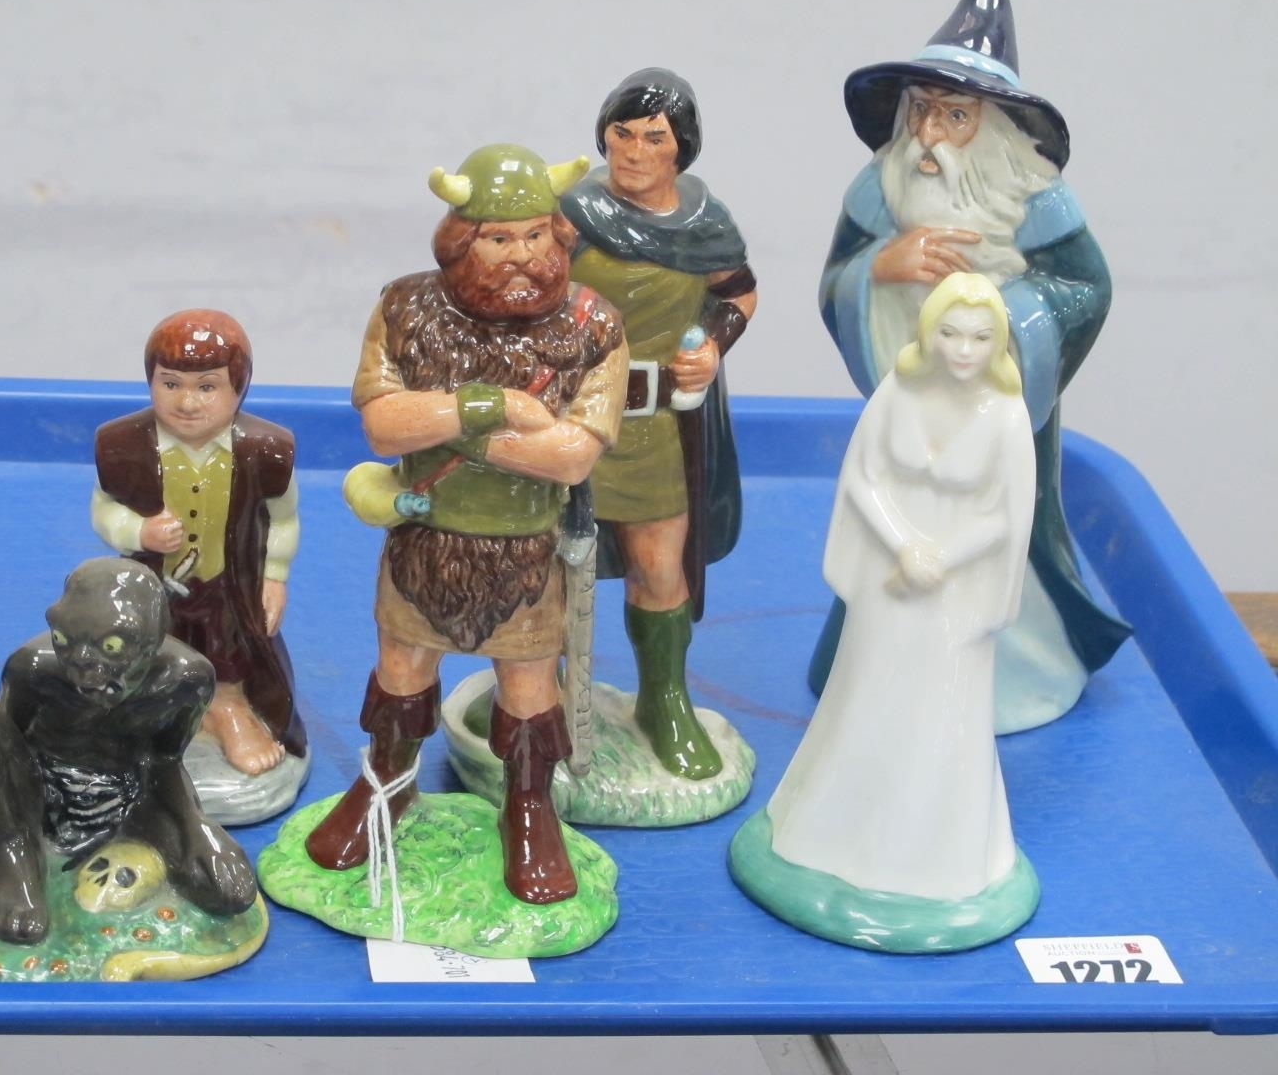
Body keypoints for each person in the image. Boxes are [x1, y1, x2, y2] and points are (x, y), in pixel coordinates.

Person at [814, 0, 1129, 734]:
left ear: (992, 127)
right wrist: (878, 270)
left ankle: (1014, 669)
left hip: (1000, 405)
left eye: (954, 117)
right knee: (896, 527)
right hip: (909, 405)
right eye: (921, 111)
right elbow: (834, 283)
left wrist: (995, 318)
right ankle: (880, 672)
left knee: (996, 528)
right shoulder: (879, 189)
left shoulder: (1035, 199)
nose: (929, 136)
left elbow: (1086, 288)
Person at [305, 143, 628, 904]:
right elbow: (383, 426)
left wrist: (449, 428)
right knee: (402, 670)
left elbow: (571, 456)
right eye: (498, 237)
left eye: (535, 235)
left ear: (558, 235)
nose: (521, 256)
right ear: (460, 239)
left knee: (528, 684)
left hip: (525, 550)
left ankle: (528, 806)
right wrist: (495, 405)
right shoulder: (405, 309)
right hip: (424, 538)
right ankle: (387, 784)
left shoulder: (593, 325)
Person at [731, 273, 1040, 952]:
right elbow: (863, 479)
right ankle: (823, 838)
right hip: (889, 582)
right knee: (866, 692)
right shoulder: (898, 393)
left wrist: (942, 557)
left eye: (980, 337)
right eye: (951, 334)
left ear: (998, 343)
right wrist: (903, 545)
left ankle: (928, 862)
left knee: (938, 707)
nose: (964, 350)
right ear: (928, 333)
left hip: (952, 596)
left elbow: (1007, 514)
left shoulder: (1006, 415)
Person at [558, 68, 757, 779]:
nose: (634, 151)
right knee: (544, 566)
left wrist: (712, 345)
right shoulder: (572, 215)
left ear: (680, 150)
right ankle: (534, 696)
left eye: (653, 138)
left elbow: (738, 293)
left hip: (653, 429)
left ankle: (663, 700)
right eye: (622, 133)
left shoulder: (705, 224)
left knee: (658, 567)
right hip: (569, 421)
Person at [0, 558, 257, 944]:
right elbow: (4, 752)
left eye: (112, 646)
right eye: (66, 640)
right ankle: (18, 854)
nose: (83, 664)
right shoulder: (32, 669)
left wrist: (194, 825)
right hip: (38, 794)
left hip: (125, 797)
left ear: (152, 642)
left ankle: (141, 839)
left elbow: (165, 760)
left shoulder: (186, 679)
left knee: (227, 892)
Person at [92, 310, 305, 777]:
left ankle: (228, 707)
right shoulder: (124, 445)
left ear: (238, 388)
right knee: (152, 644)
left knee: (228, 644)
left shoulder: (265, 450)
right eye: (170, 384)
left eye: (207, 387)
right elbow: (104, 508)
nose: (187, 402)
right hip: (154, 579)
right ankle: (160, 713)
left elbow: (283, 518)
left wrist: (274, 576)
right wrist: (139, 532)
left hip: (228, 578)